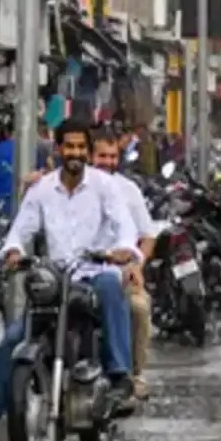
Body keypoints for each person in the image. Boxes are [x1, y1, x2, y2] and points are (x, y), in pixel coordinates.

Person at [0, 118, 142, 441]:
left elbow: (126, 228)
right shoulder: (41, 189)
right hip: (53, 278)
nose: (75, 153)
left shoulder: (105, 186)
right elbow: (20, 231)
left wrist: (123, 252)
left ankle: (119, 378)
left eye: (81, 147)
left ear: (87, 150)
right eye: (69, 146)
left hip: (94, 274)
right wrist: (14, 253)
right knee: (14, 337)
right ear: (58, 149)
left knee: (112, 287)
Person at [92, 129, 156, 400]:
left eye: (112, 156)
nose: (107, 161)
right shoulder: (73, 187)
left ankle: (133, 374)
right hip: (79, 273)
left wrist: (136, 266)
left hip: (119, 275)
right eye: (101, 156)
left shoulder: (128, 190)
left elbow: (147, 236)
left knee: (139, 308)